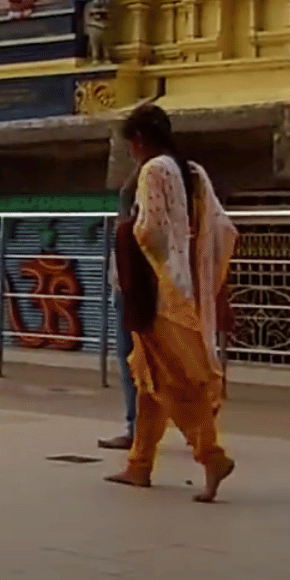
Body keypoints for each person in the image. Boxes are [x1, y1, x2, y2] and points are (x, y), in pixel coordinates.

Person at [106, 104, 237, 502]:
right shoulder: (193, 172)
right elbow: (222, 227)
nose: (131, 151)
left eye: (130, 143)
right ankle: (138, 464)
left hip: (160, 292)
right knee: (148, 375)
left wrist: (127, 233)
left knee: (173, 379)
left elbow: (151, 232)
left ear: (139, 140)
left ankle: (210, 454)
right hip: (187, 288)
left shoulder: (153, 171)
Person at [98, 169, 139, 451]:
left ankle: (135, 428)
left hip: (132, 293)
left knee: (131, 359)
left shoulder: (131, 227)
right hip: (130, 291)